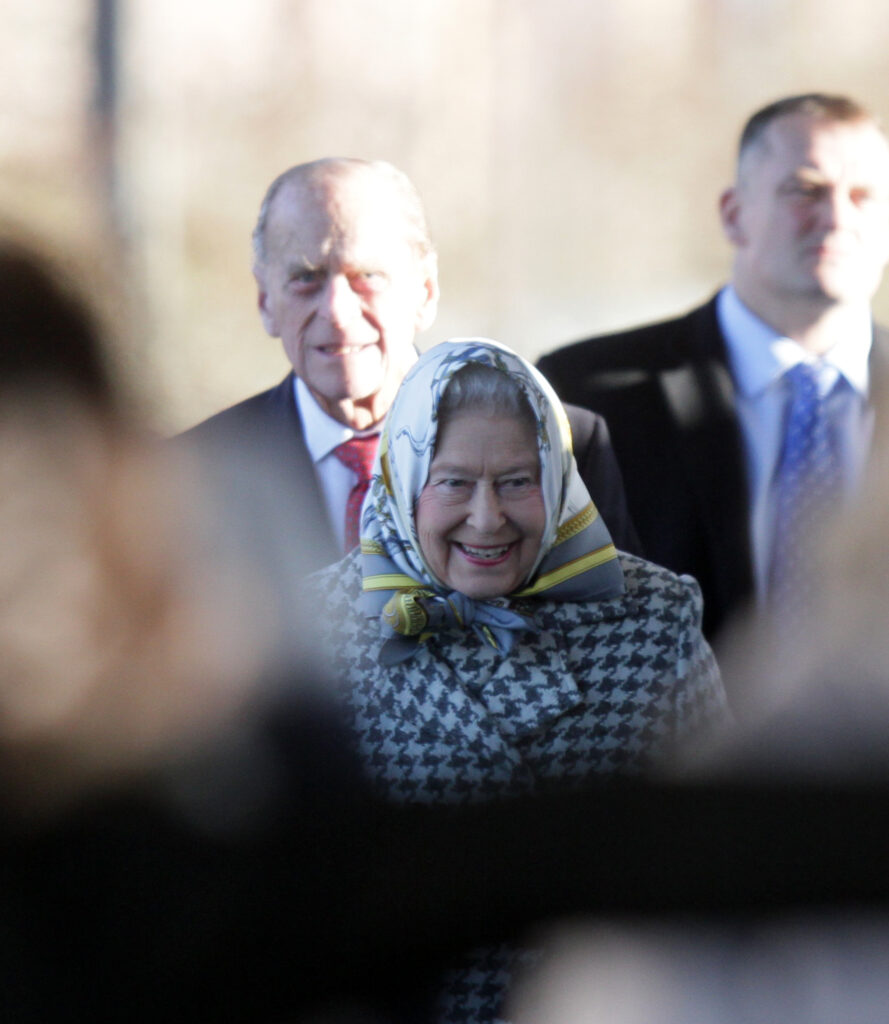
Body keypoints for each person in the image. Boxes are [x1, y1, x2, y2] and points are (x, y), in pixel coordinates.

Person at [309, 337, 729, 1022]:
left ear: (558, 481)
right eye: (453, 482)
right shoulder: (314, 632)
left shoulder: (650, 616)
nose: (487, 517)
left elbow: (716, 854)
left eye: (516, 481)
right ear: (406, 479)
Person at [537, 93, 889, 645]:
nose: (838, 218)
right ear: (733, 214)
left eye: (864, 196)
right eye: (806, 190)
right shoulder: (588, 394)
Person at [184, 157, 639, 569]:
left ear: (425, 292)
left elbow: (623, 633)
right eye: (306, 279)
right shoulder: (193, 477)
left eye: (367, 277)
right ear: (265, 301)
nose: (337, 312)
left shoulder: (558, 446)